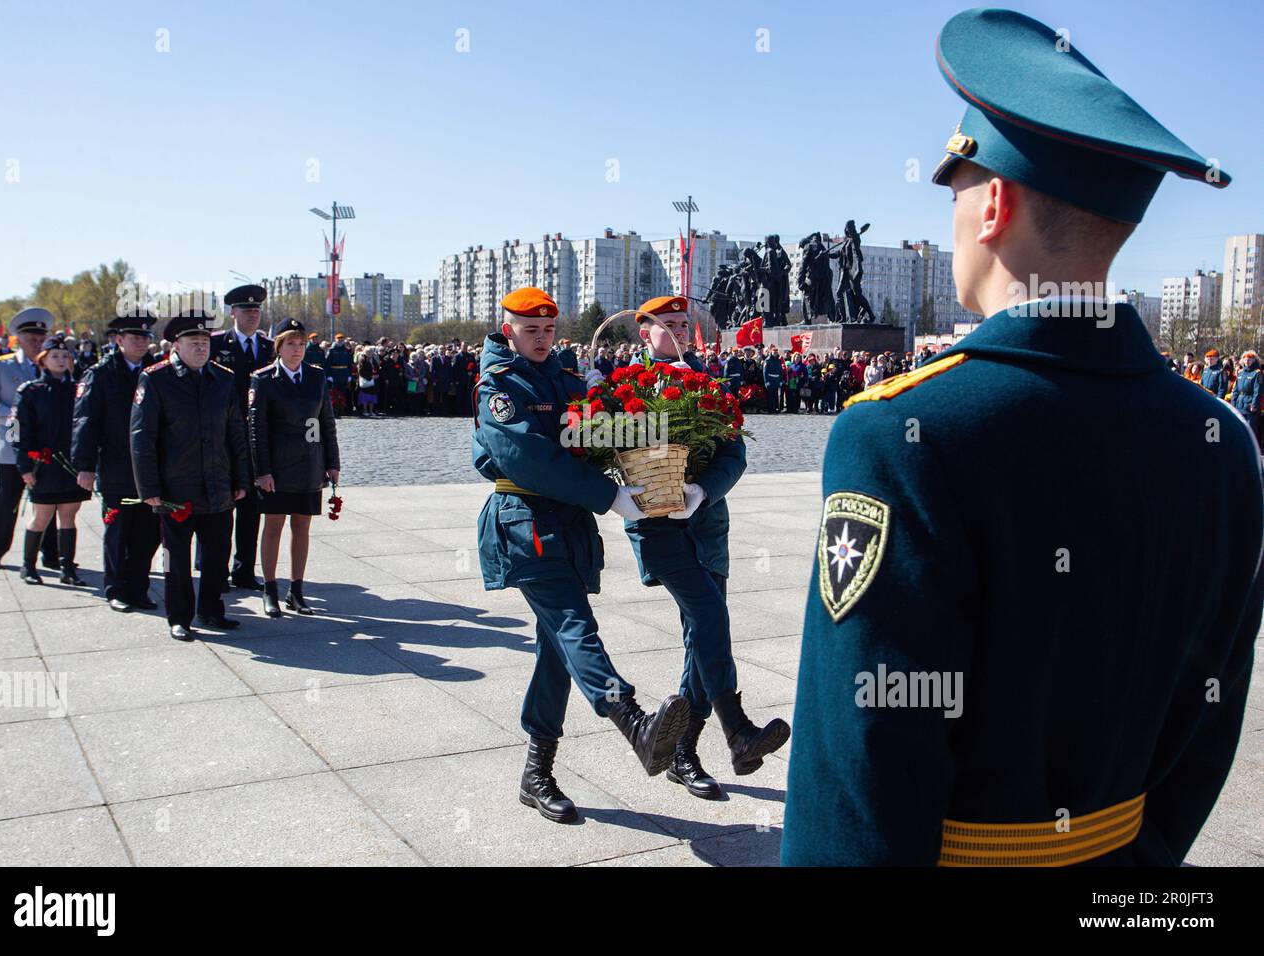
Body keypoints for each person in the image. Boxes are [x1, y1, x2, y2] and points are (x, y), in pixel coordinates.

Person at [783, 8, 1262, 867]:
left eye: (956, 190)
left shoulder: (899, 435)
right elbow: (1210, 715)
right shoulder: (1220, 438)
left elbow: (859, 768)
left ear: (994, 201)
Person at [473, 286, 688, 824]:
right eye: (530, 331)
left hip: (567, 527)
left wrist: (618, 409)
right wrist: (610, 495)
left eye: (548, 330)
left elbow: (594, 434)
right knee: (574, 625)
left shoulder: (564, 378)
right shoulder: (499, 387)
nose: (542, 339)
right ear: (509, 331)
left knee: (557, 650)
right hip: (525, 526)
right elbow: (529, 458)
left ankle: (536, 772)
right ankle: (632, 721)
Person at [621, 296, 790, 799]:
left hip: (707, 526)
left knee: (704, 635)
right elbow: (610, 452)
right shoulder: (622, 389)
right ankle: (732, 731)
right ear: (643, 333)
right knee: (708, 620)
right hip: (659, 529)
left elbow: (734, 455)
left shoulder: (709, 384)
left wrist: (703, 490)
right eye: (664, 326)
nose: (675, 332)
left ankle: (685, 753)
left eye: (681, 324)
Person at [130, 310, 252, 642]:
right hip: (175, 488)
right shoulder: (156, 379)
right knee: (176, 558)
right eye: (193, 342)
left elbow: (236, 433)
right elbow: (143, 438)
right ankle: (179, 616)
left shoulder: (222, 379)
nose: (201, 348)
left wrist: (242, 479)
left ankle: (212, 610)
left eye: (204, 342)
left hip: (218, 485)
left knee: (217, 553)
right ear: (176, 345)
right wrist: (149, 487)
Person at [249, 318, 341, 617]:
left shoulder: (315, 376)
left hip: (309, 464)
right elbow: (256, 430)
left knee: (302, 527)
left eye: (301, 344)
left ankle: (297, 590)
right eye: (291, 343)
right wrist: (262, 470)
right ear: (279, 346)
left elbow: (326, 421)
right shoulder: (263, 379)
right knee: (273, 526)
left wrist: (332, 462)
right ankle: (270, 589)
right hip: (276, 467)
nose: (297, 349)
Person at [72, 311, 162, 612]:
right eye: (135, 337)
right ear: (119, 339)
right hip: (116, 465)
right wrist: (84, 465)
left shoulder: (156, 371)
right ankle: (116, 588)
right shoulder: (100, 374)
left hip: (151, 467)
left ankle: (138, 587)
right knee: (118, 531)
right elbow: (86, 421)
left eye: (145, 337)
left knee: (148, 533)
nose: (141, 342)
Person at [0, 308, 58, 571]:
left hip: (47, 447)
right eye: (31, 337)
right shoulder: (2, 365)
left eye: (40, 336)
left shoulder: (53, 364)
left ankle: (51, 554)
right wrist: (7, 414)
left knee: (50, 502)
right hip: (13, 441)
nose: (37, 341)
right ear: (18, 338)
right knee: (7, 502)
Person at [10, 334, 92, 585]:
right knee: (41, 517)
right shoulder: (30, 391)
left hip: (70, 465)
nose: (60, 359)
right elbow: (14, 431)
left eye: (64, 355)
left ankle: (68, 568)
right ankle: (29, 566)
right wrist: (24, 466)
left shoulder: (78, 390)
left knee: (69, 516)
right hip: (42, 466)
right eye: (54, 356)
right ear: (42, 361)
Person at [208, 285, 272, 590]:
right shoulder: (215, 344)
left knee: (251, 510)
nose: (253, 315)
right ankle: (215, 572)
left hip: (257, 440)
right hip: (222, 439)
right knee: (220, 510)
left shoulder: (270, 346)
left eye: (257, 310)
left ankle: (244, 570)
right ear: (232, 313)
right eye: (247, 310)